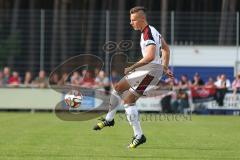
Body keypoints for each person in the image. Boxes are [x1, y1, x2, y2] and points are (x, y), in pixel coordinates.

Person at [93, 6, 173, 148]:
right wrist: (164, 67)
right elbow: (166, 48)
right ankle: (109, 120)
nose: (131, 23)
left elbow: (149, 56)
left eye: (133, 20)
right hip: (149, 70)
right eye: (130, 20)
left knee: (128, 100)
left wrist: (132, 67)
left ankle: (139, 135)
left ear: (142, 19)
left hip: (150, 73)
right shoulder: (151, 30)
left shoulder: (148, 33)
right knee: (118, 87)